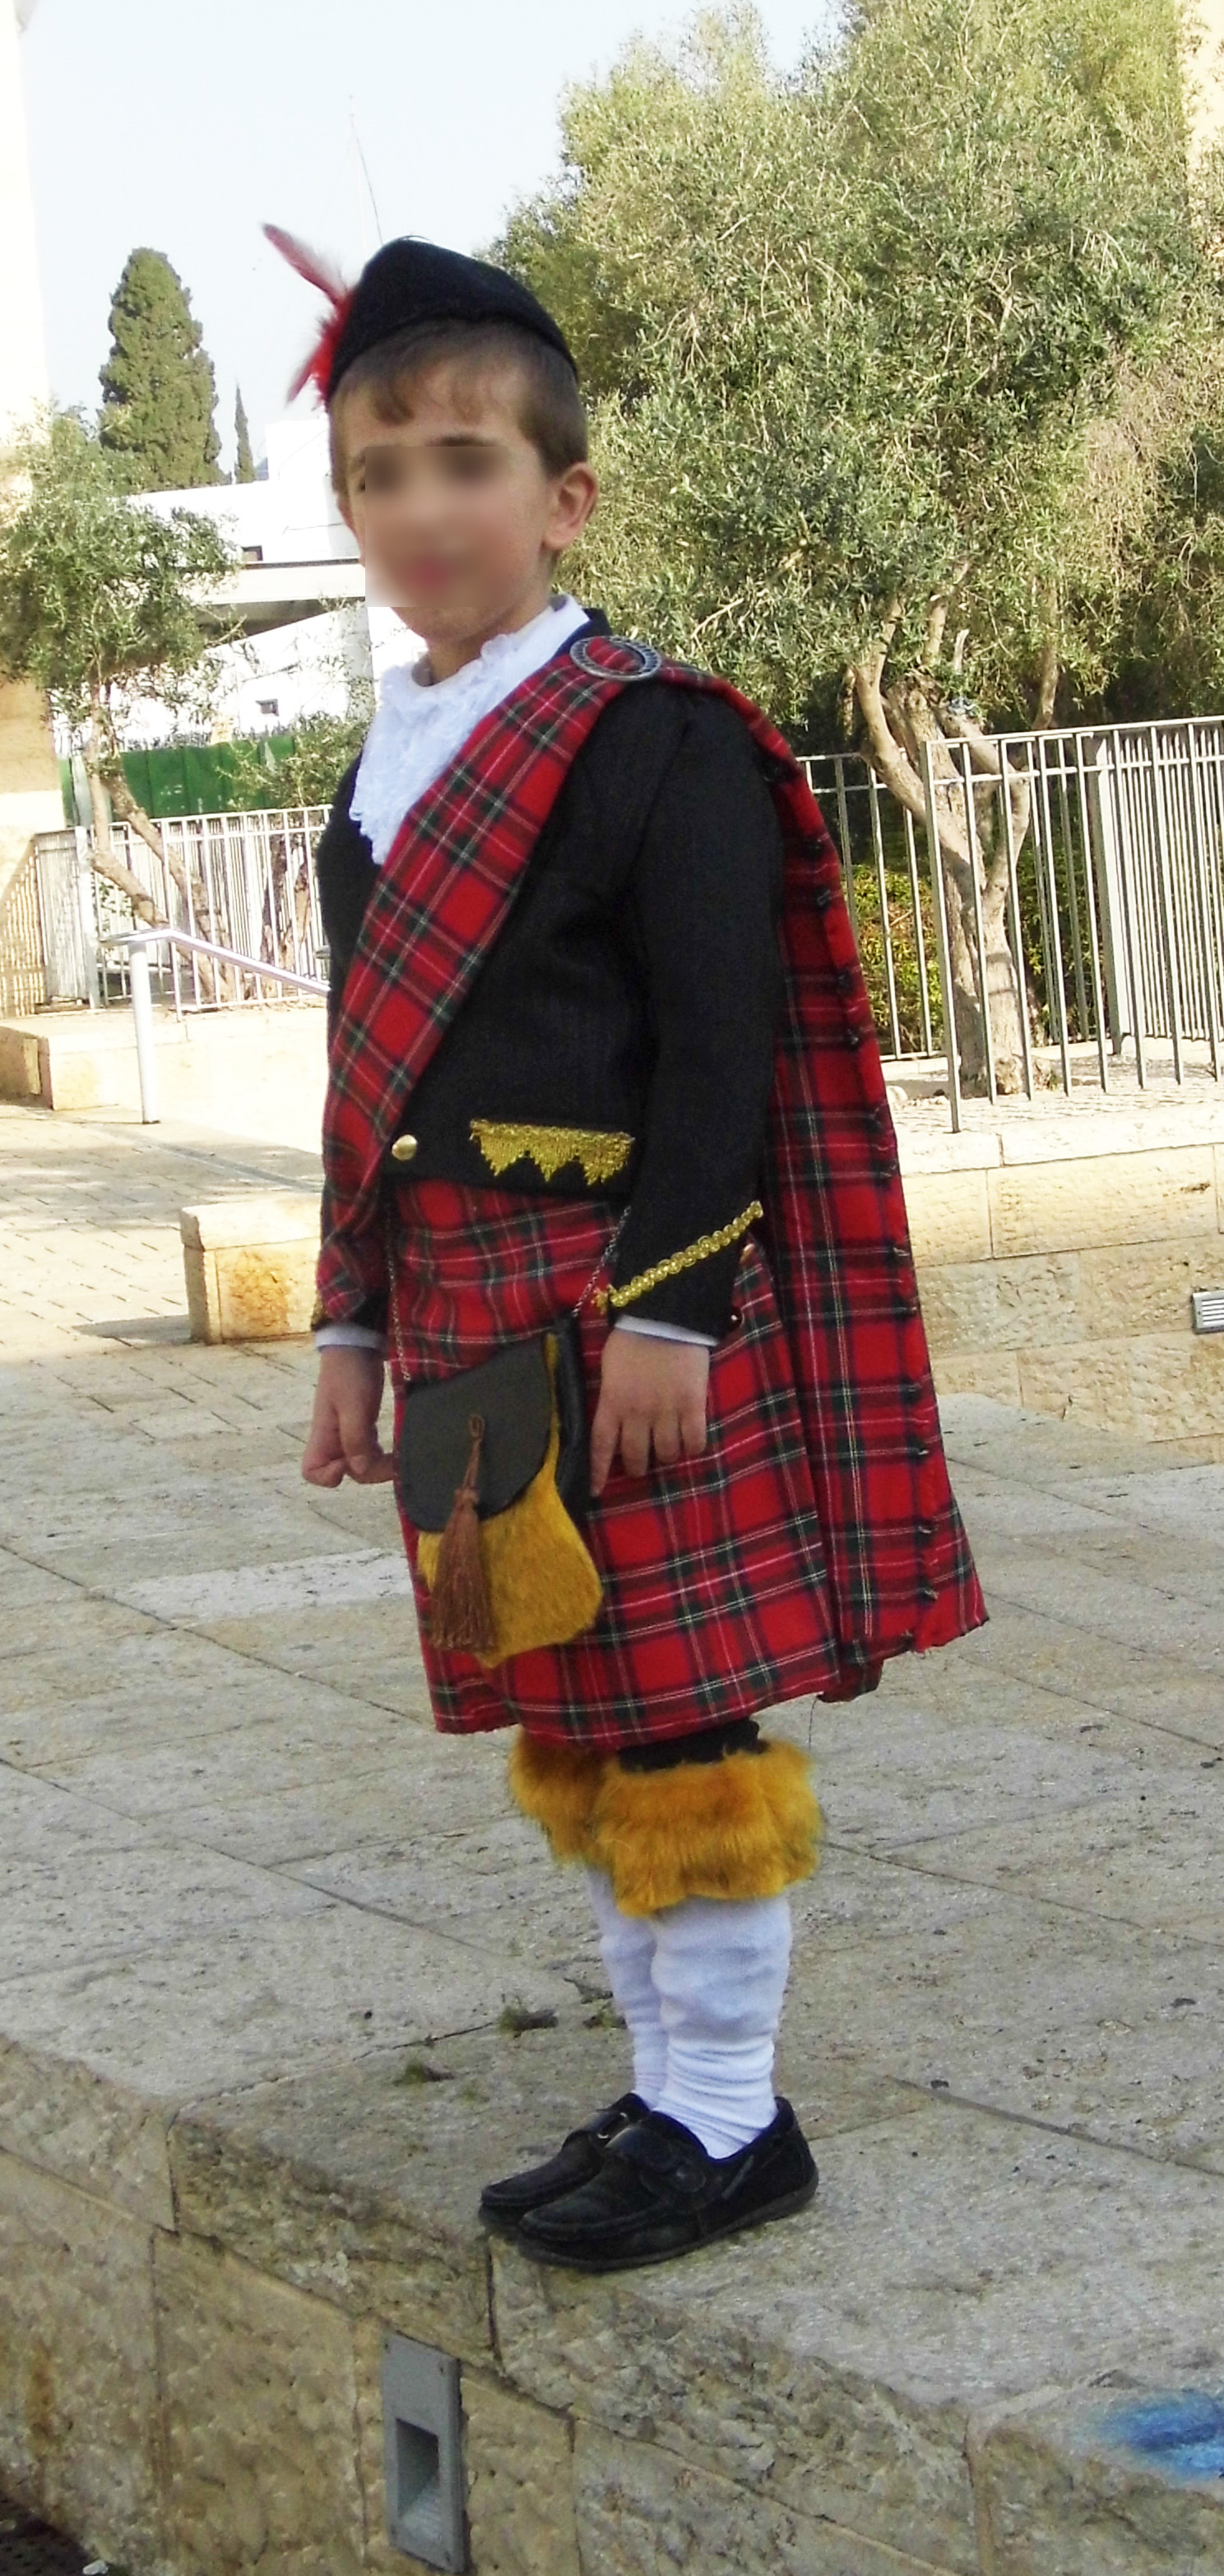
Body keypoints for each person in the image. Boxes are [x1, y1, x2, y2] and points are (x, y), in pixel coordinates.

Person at [281, 225, 985, 2273]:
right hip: (461, 1329)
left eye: (467, 461)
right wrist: (349, 1329)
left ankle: (731, 2118)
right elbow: (363, 1084)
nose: (422, 508)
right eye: (380, 472)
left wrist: (675, 1309)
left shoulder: (653, 734)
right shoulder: (378, 770)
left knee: (682, 1716)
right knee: (578, 1713)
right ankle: (668, 2089)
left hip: (619, 1313)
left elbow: (721, 1058)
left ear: (564, 494)